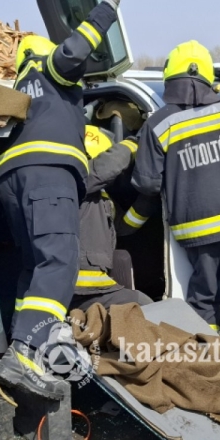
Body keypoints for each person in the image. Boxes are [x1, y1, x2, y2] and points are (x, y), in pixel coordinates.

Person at [0, 0, 124, 400]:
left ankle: (25, 350)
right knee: (59, 264)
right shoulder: (49, 70)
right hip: (49, 176)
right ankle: (26, 353)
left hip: (12, 183)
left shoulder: (16, 91)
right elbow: (74, 51)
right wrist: (107, 7)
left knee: (33, 269)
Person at [131, 40, 220, 380]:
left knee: (203, 299)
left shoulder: (159, 124)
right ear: (209, 77)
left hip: (198, 232)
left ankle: (208, 365)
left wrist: (130, 223)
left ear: (170, 79)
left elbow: (147, 184)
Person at [68, 125, 152, 312]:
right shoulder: (77, 181)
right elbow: (107, 167)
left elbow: (123, 227)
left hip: (92, 285)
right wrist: (135, 143)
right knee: (144, 306)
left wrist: (148, 196)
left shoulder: (100, 196)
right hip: (80, 285)